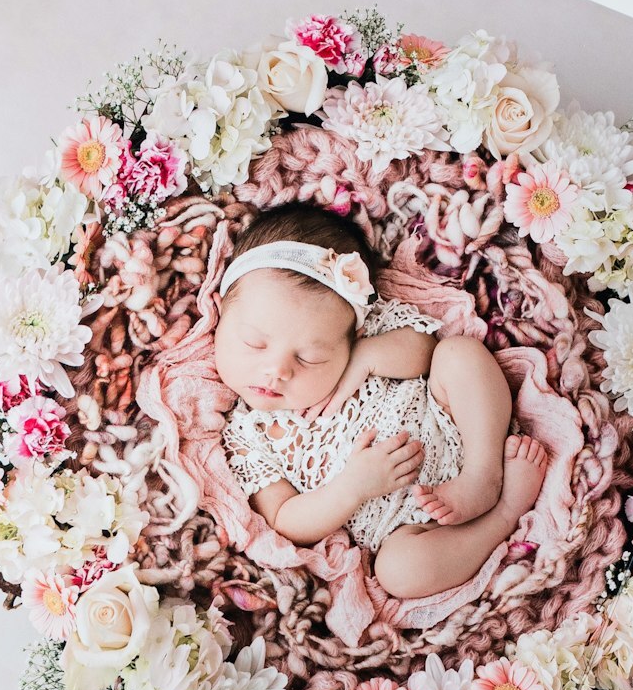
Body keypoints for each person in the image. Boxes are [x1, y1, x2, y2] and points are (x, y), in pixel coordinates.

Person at [212, 202, 551, 599]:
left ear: (350, 335)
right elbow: (285, 518)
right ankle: (505, 512)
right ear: (220, 313)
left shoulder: (363, 341)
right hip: (402, 527)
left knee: (459, 354)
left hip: (450, 423)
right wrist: (351, 488)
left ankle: (482, 474)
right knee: (400, 574)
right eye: (254, 343)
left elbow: (423, 348)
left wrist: (367, 358)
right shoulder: (246, 433)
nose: (277, 370)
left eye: (310, 357)